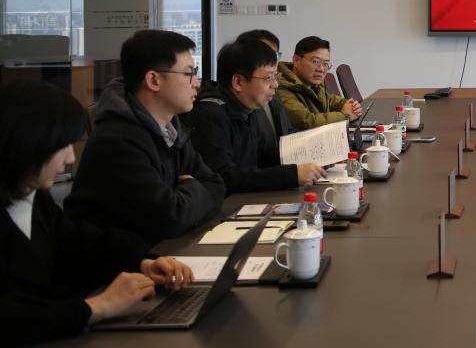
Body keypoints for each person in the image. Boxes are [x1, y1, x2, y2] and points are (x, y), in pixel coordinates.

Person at [0, 81, 193, 346]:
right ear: (28, 143)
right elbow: (10, 316)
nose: (70, 158)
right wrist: (98, 307)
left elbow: (83, 243)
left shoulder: (35, 197)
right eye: (62, 146)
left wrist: (144, 263)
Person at [66, 30, 225, 244]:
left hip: (162, 252)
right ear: (153, 80)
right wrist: (193, 187)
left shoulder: (171, 129)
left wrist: (183, 197)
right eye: (189, 74)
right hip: (122, 261)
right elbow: (169, 218)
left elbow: (216, 185)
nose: (197, 83)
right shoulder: (117, 141)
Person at [184, 39, 327, 194]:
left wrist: (314, 157)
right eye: (268, 78)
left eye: (276, 76)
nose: (275, 84)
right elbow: (223, 177)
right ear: (238, 82)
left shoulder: (247, 110)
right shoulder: (210, 115)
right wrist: (292, 174)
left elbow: (264, 158)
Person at [276, 36, 363, 130]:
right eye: (315, 61)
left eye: (325, 63)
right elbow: (307, 122)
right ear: (296, 60)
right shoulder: (280, 86)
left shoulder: (313, 83)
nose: (321, 69)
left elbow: (331, 100)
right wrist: (345, 116)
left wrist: (351, 105)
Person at [235, 29, 294, 139]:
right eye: (266, 54)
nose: (272, 60)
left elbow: (287, 131)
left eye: (275, 55)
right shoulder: (246, 101)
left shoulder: (273, 91)